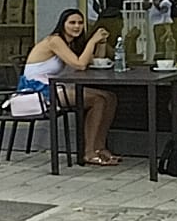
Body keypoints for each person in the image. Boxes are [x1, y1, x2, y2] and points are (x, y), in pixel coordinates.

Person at [19, 9, 119, 165]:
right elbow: (80, 65)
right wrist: (92, 41)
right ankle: (89, 152)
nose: (77, 26)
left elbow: (93, 61)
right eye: (72, 23)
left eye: (80, 23)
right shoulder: (55, 40)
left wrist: (101, 43)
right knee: (98, 100)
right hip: (37, 90)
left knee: (110, 97)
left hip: (54, 86)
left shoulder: (70, 42)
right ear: (62, 24)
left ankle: (100, 148)